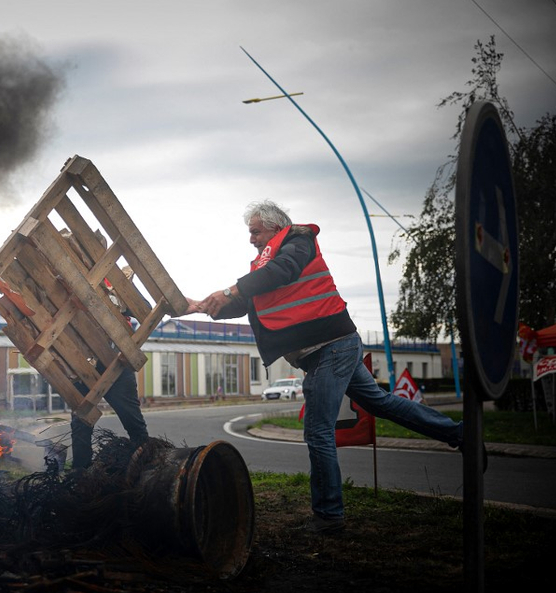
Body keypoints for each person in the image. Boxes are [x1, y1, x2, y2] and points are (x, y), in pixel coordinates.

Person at [185, 200, 467, 534]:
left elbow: (280, 272)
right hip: (334, 346)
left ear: (276, 228)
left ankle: (329, 516)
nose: (252, 240)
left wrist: (230, 289)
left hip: (330, 348)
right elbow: (249, 303)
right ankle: (459, 433)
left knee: (318, 431)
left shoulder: (298, 241)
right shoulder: (266, 265)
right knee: (380, 402)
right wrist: (206, 307)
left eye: (255, 232)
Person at [59, 228, 149, 470]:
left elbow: (144, 308)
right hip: (80, 364)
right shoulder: (61, 283)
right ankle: (80, 478)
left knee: (133, 422)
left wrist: (118, 301)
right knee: (81, 424)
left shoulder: (115, 279)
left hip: (116, 362)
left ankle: (149, 467)